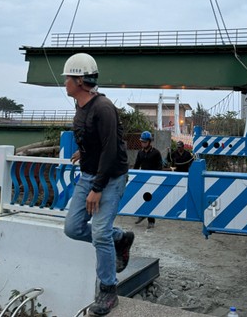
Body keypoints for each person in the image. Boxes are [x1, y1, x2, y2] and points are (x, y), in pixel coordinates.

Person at [62, 53, 134, 316]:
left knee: (100, 232)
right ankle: (121, 238)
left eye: (68, 78)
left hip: (110, 177)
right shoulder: (81, 107)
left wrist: (97, 188)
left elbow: (111, 149)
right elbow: (96, 139)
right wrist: (85, 151)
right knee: (72, 228)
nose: (65, 83)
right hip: (89, 172)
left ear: (80, 80)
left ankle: (108, 290)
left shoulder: (103, 108)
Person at [133, 130, 162, 229]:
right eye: (142, 141)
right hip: (142, 179)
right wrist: (133, 176)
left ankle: (151, 221)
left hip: (152, 180)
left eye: (144, 142)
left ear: (149, 142)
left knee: (150, 199)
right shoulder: (140, 153)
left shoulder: (156, 153)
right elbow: (136, 165)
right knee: (140, 197)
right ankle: (141, 215)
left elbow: (159, 167)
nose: (143, 143)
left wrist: (156, 179)